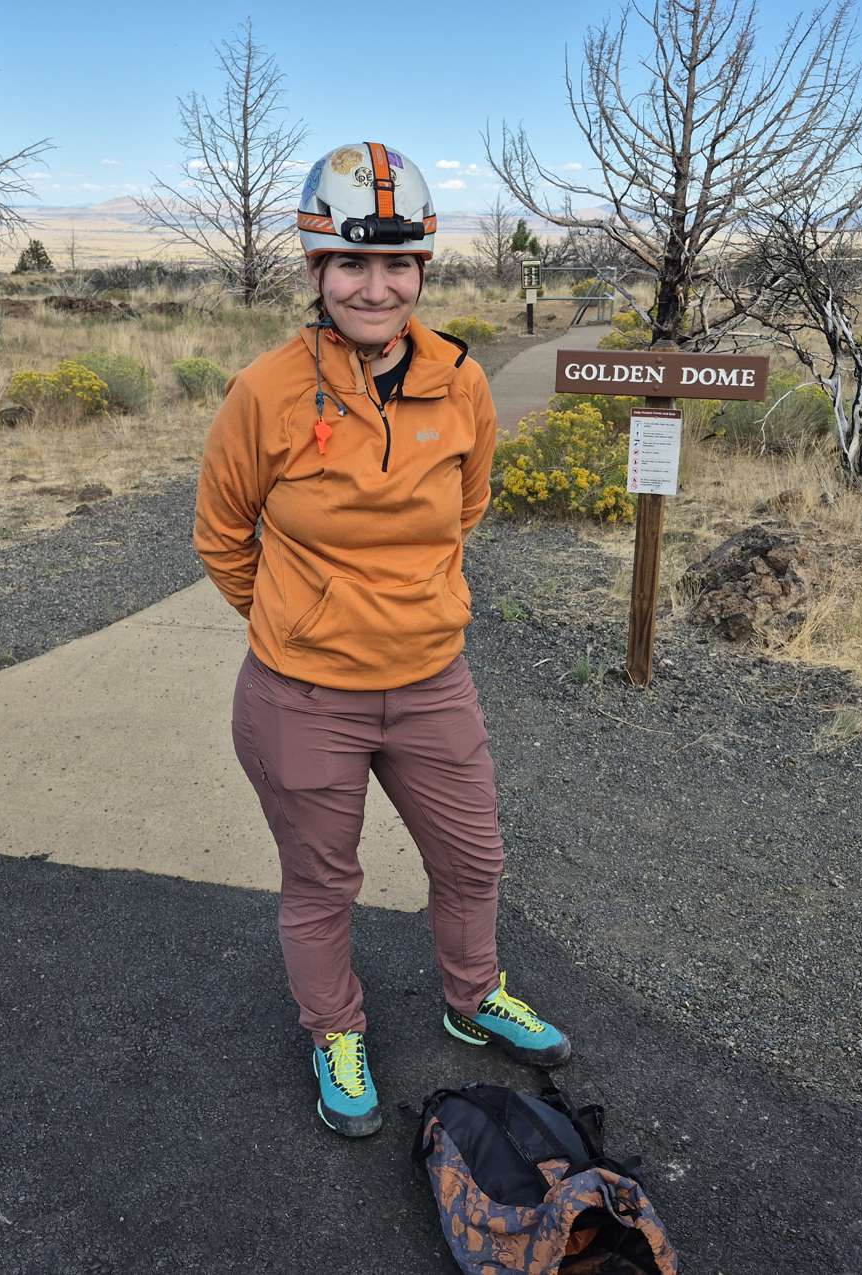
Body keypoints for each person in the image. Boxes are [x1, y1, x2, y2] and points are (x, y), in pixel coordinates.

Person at [194, 141, 570, 1139]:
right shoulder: (266, 392)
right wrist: (304, 622)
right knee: (323, 882)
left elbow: (467, 507)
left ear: (422, 268)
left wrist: (406, 604)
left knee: (473, 857)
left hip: (431, 681)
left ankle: (473, 995)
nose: (375, 286)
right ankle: (335, 1031)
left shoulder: (461, 381)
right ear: (317, 270)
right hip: (302, 695)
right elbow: (222, 535)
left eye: (397, 263)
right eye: (351, 263)